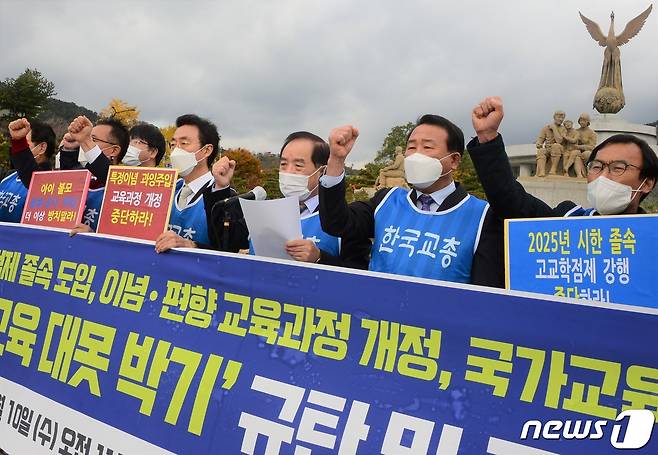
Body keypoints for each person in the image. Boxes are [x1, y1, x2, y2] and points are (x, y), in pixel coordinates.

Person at [319, 115, 504, 287]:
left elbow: (486, 292)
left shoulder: (481, 217)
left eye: (428, 147)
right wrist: (336, 160)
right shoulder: (387, 201)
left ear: (454, 160)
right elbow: (336, 223)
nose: (416, 155)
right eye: (412, 147)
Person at [468, 97, 658, 217]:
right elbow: (510, 202)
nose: (603, 177)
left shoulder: (651, 237)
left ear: (647, 183)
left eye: (618, 168)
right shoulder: (567, 221)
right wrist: (487, 137)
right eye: (597, 167)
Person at [154, 114, 238, 252]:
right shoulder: (168, 189)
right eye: (173, 144)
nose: (175, 151)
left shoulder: (225, 196)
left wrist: (191, 245)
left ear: (206, 150)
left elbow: (229, 252)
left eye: (184, 143)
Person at [65, 116, 130, 230]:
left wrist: (94, 237)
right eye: (88, 139)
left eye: (93, 140)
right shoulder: (81, 179)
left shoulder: (126, 190)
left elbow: (111, 177)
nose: (84, 144)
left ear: (114, 150)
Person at [1, 118, 56, 222]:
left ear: (42, 147)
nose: (17, 148)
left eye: (24, 143)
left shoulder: (50, 187)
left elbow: (32, 179)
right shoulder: (9, 177)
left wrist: (18, 142)